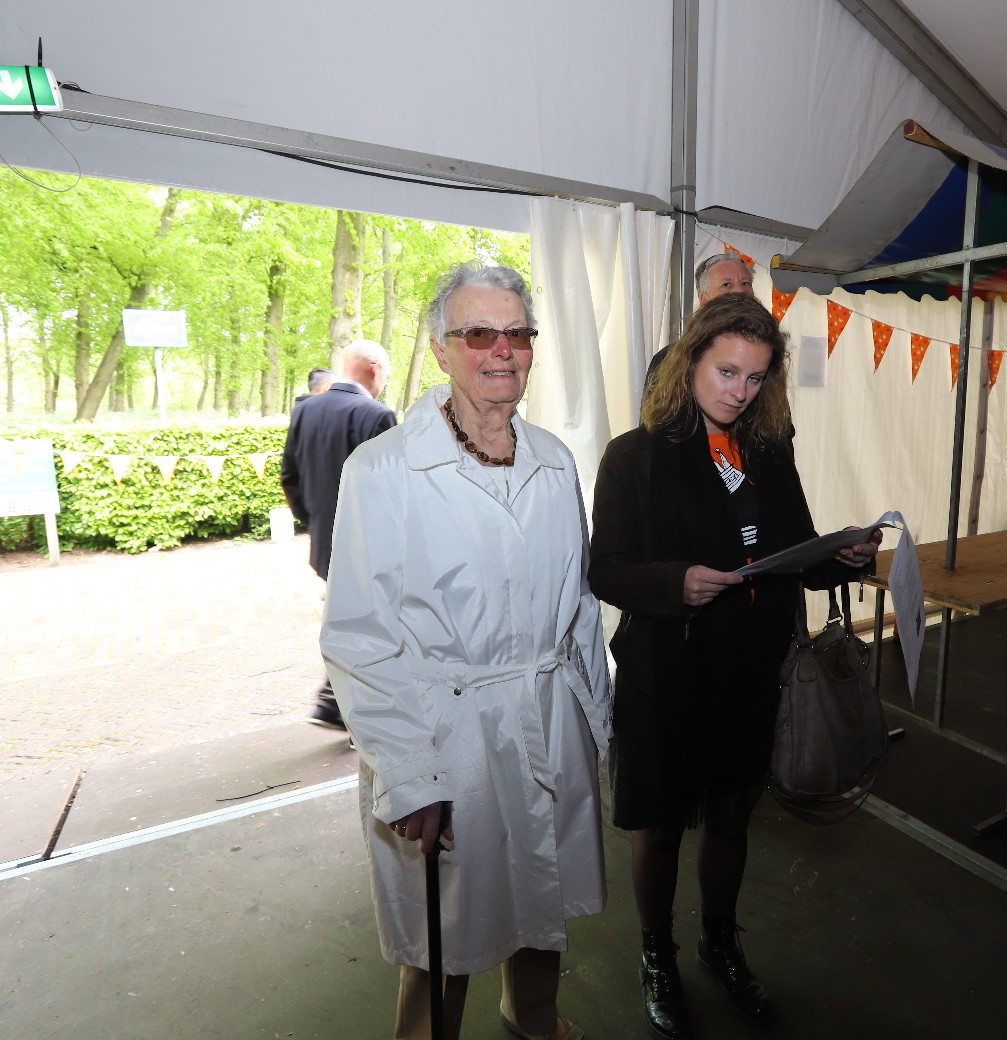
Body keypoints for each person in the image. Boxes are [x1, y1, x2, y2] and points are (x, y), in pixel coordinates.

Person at [320, 261, 609, 1040]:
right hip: (446, 736)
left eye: (518, 333)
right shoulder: (384, 470)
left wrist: (596, 724)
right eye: (479, 333)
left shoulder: (554, 462)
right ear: (441, 349)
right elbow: (359, 636)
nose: (502, 350)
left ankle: (532, 1018)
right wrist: (408, 774)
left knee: (541, 888)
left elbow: (579, 610)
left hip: (546, 715)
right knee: (444, 925)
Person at [589, 293, 881, 1039]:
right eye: (726, 372)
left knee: (729, 819)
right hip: (667, 673)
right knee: (659, 826)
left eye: (755, 378)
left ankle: (720, 944)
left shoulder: (769, 451)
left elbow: (795, 553)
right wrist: (674, 584)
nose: (739, 392)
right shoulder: (634, 455)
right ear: (689, 361)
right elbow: (606, 570)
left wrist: (841, 557)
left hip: (750, 671)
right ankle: (658, 955)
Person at [280, 341, 396, 728]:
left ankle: (335, 703)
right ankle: (342, 706)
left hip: (325, 543)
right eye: (386, 374)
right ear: (375, 370)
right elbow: (389, 490)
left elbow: (289, 475)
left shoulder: (306, 410)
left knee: (351, 622)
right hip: (367, 547)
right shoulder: (377, 415)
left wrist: (314, 521)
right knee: (372, 626)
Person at [642, 251, 756, 393]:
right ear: (704, 300)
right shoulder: (670, 360)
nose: (740, 291)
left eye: (745, 283)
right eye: (726, 285)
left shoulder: (767, 354)